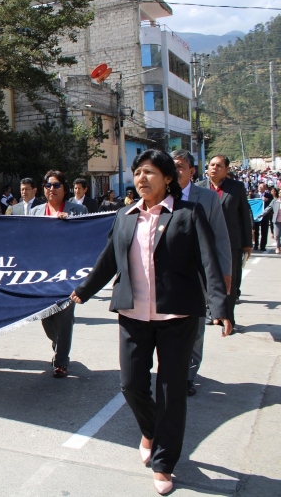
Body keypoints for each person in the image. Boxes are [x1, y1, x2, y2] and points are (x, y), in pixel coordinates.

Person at [70, 149, 230, 495]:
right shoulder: (125, 217)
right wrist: (82, 290)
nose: (142, 178)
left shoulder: (189, 214)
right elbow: (108, 260)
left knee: (172, 392)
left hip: (177, 317)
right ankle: (151, 428)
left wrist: (221, 306)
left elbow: (209, 261)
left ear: (169, 178)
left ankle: (163, 463)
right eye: (138, 172)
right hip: (132, 316)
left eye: (151, 172)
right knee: (131, 385)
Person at [171, 149, 232, 396]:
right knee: (170, 328)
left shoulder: (207, 198)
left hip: (198, 274)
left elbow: (220, 237)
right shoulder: (159, 196)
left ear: (192, 171)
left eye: (180, 166)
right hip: (168, 274)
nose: (175, 171)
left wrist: (225, 271)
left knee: (196, 329)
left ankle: (187, 376)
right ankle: (171, 371)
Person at [29, 171, 87, 378]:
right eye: (47, 185)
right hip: (41, 276)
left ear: (65, 188)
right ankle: (57, 340)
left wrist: (69, 223)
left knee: (65, 316)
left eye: (56, 185)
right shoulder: (35, 212)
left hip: (68, 274)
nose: (51, 189)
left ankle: (61, 360)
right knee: (46, 318)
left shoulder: (78, 210)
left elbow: (85, 239)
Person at [196, 155, 253, 327]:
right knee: (205, 278)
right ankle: (209, 311)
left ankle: (227, 316)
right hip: (204, 242)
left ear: (227, 169)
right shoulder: (199, 188)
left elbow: (244, 215)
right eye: (211, 165)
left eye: (219, 165)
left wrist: (247, 243)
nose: (214, 168)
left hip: (230, 242)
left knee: (229, 280)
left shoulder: (236, 188)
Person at [271, 187, 281, 254]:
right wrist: (261, 215)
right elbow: (268, 208)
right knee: (277, 235)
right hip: (277, 221)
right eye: (280, 193)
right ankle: (278, 247)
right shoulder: (275, 201)